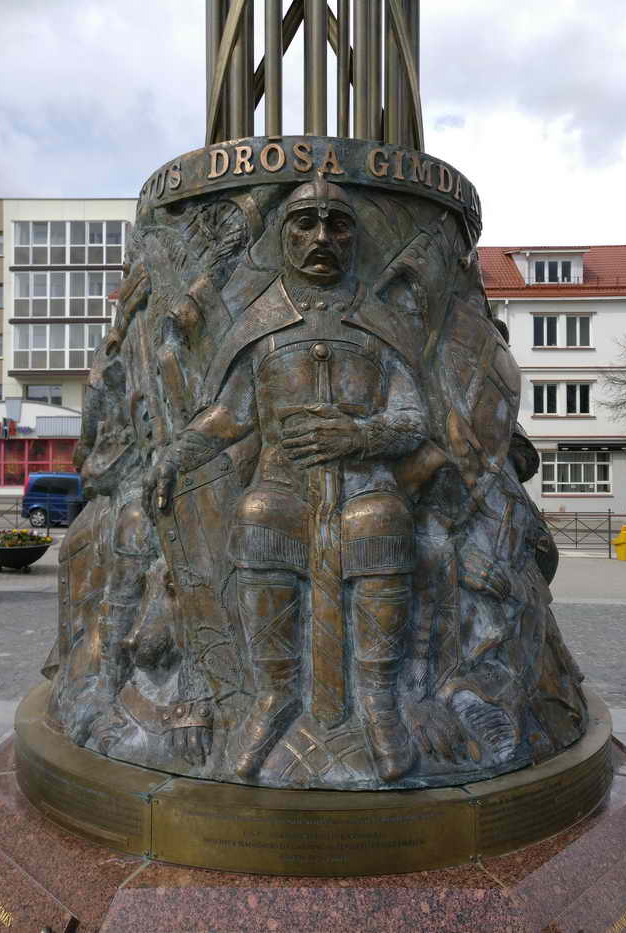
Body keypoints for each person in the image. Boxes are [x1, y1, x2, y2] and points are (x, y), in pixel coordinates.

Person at [149, 176, 436, 782]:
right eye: (304, 223)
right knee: (259, 519)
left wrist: (360, 436)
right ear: (283, 239)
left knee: (381, 525)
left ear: (354, 239)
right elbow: (230, 415)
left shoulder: (377, 324)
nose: (321, 237)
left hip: (365, 483)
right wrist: (176, 454)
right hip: (282, 485)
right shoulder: (263, 325)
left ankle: (380, 703)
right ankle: (272, 696)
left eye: (337, 224)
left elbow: (413, 418)